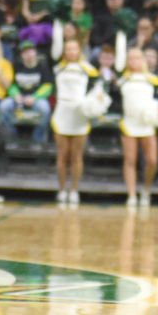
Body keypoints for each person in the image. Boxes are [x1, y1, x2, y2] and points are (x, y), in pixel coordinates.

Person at [51, 36, 103, 205]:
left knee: (76, 155)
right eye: (68, 49)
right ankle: (61, 190)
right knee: (62, 155)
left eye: (74, 48)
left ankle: (74, 190)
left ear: (79, 50)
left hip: (79, 112)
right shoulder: (58, 68)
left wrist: (97, 97)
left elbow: (100, 83)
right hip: (62, 112)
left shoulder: (87, 68)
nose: (71, 52)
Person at [118, 46, 158, 209]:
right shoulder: (122, 79)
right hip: (129, 124)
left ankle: (146, 189)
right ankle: (132, 195)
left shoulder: (152, 79)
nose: (134, 61)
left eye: (137, 58)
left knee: (152, 160)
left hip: (147, 124)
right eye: (131, 58)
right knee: (130, 160)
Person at [0, 39, 53, 146]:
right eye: (25, 52)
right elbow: (11, 85)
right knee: (3, 106)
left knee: (45, 109)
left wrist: (35, 97)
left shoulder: (43, 67)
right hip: (18, 98)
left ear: (35, 52)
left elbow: (48, 87)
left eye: (30, 51)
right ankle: (11, 135)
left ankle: (38, 138)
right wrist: (15, 95)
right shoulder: (16, 67)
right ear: (21, 55)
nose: (28, 54)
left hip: (36, 99)